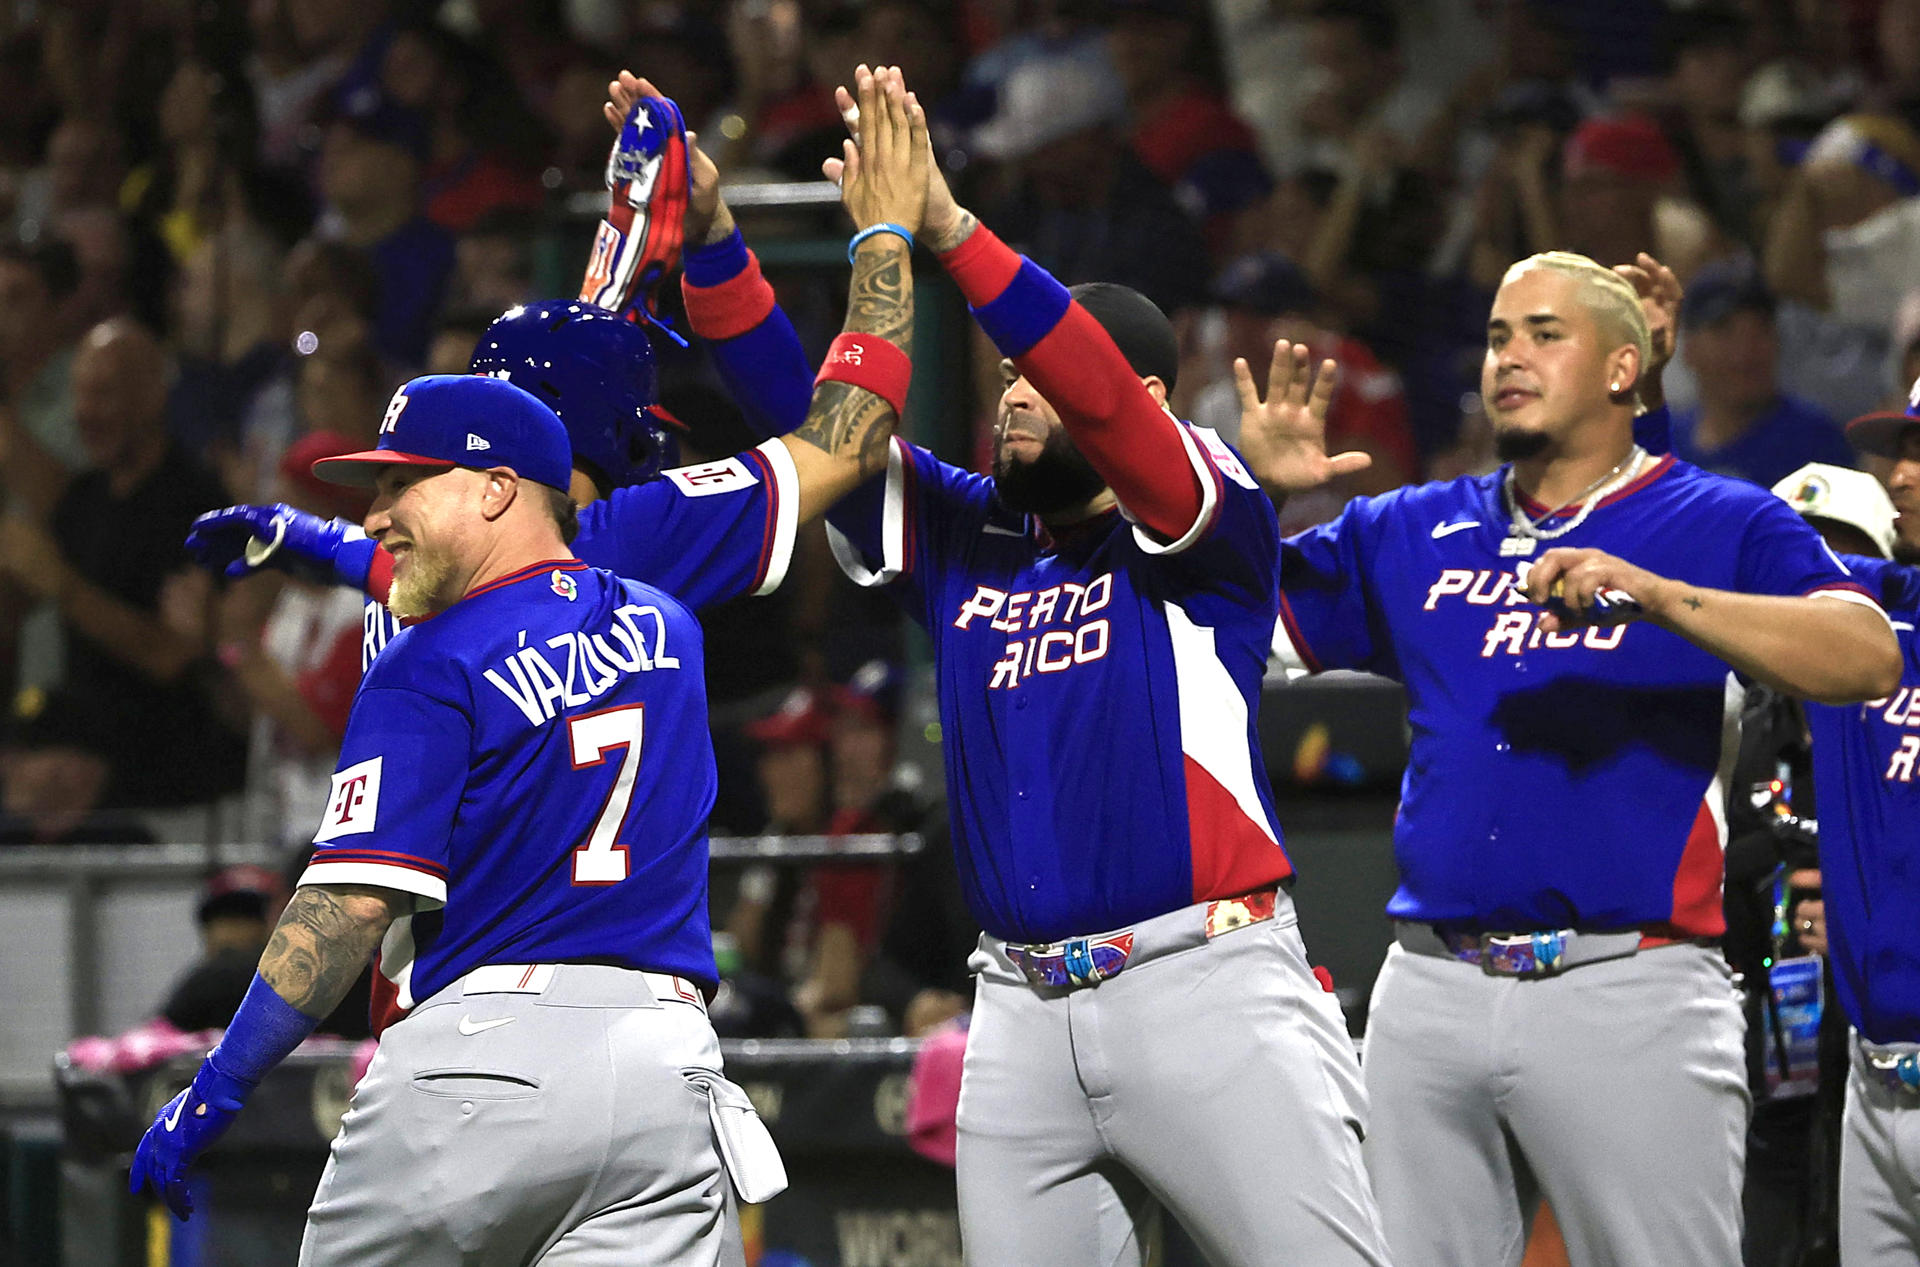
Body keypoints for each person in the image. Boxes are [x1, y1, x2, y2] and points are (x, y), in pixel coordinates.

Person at [129, 68, 931, 1260]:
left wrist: (219, 1083)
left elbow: (355, 880)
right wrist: (832, 243)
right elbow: (845, 434)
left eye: (404, 484)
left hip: (470, 1050)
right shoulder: (652, 579)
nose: (386, 513)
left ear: (497, 469)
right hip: (666, 1053)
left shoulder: (449, 615)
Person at [826, 71, 1389, 1267]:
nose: (1011, 393)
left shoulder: (1213, 512)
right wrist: (721, 253)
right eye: (1003, 378)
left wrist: (956, 236)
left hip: (1206, 982)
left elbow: (1102, 397)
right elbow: (812, 427)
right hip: (1016, 1012)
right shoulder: (966, 534)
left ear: (1134, 397)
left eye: (1039, 375)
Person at [1252, 248, 1902, 1267]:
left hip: (1629, 982)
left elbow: (1865, 657)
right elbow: (1228, 638)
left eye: (1545, 333)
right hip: (1430, 983)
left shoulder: (1721, 519)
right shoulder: (1413, 528)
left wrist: (1653, 594)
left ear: (1623, 371)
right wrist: (1256, 501)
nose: (1509, 357)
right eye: (1499, 336)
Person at [1669, 260, 1855, 488]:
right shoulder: (1666, 444)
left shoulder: (1816, 446)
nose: (1744, 352)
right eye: (1724, 331)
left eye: (1760, 330)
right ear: (1688, 347)